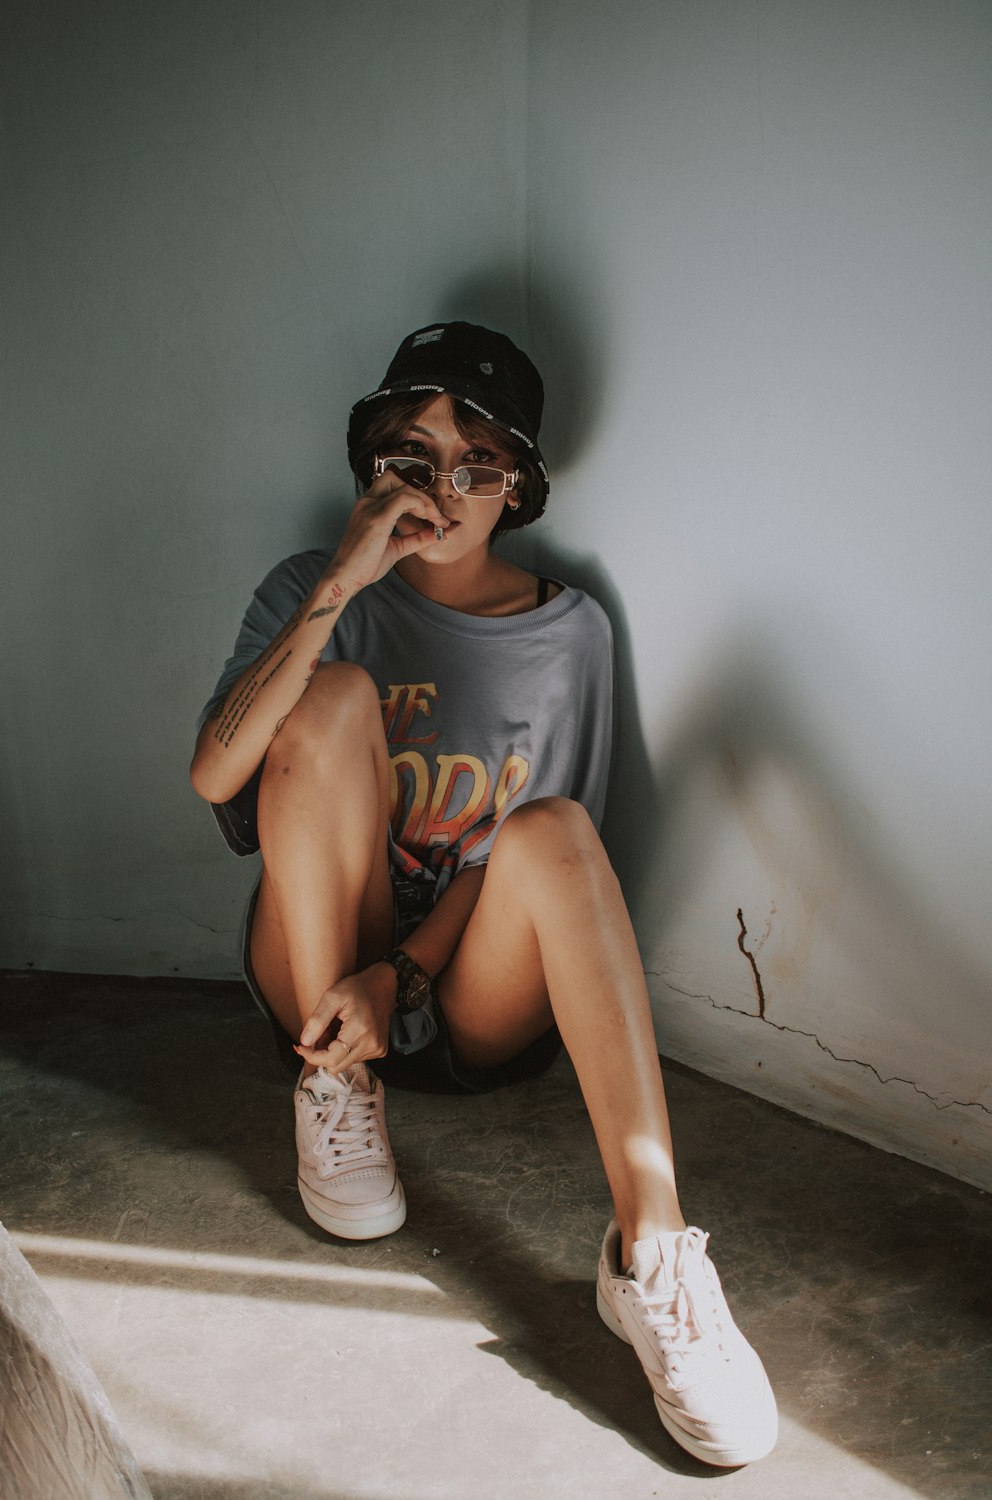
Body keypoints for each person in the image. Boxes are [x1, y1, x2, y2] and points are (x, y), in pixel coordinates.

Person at [190, 322, 778, 1468]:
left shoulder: (570, 638)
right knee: (328, 697)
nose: (442, 489)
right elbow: (216, 775)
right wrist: (343, 581)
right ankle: (333, 1086)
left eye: (478, 464)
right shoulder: (313, 586)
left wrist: (402, 973)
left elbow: (517, 855)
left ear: (516, 488)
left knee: (555, 830)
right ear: (370, 465)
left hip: (463, 987)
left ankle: (654, 1261)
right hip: (314, 955)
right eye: (412, 455)